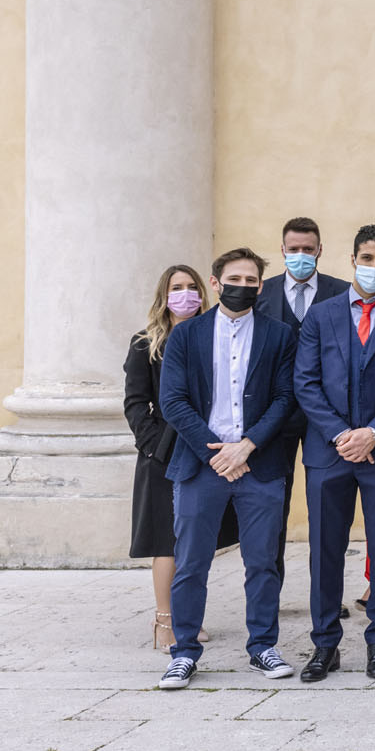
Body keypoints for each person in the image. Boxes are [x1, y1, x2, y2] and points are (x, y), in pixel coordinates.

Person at [155, 249, 298, 689]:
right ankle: (184, 652)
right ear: (214, 284)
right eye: (234, 277)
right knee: (192, 563)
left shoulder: (280, 335)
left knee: (262, 563)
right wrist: (215, 452)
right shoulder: (186, 336)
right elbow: (173, 401)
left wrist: (247, 447)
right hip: (201, 465)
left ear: (260, 285)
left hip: (260, 465)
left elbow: (285, 398)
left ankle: (263, 647)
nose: (243, 285)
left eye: (251, 279)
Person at [292, 225, 375, 682]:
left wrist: (373, 433)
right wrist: (341, 435)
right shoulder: (320, 314)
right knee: (324, 550)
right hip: (328, 454)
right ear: (352, 259)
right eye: (367, 258)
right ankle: (324, 644)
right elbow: (305, 383)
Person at [126, 265, 234, 650]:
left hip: (206, 450)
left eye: (191, 287)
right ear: (164, 295)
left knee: (196, 542)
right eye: (177, 287)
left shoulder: (214, 337)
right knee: (166, 542)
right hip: (163, 454)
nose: (185, 294)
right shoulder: (146, 343)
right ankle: (164, 621)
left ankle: (189, 617)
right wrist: (154, 446)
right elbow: (136, 402)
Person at [256, 217, 351, 584]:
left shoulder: (341, 293)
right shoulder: (262, 294)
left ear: (320, 251)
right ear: (282, 251)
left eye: (307, 250)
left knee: (328, 511)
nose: (300, 256)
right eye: (293, 250)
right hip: (273, 417)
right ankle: (270, 587)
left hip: (326, 417)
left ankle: (324, 592)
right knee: (271, 506)